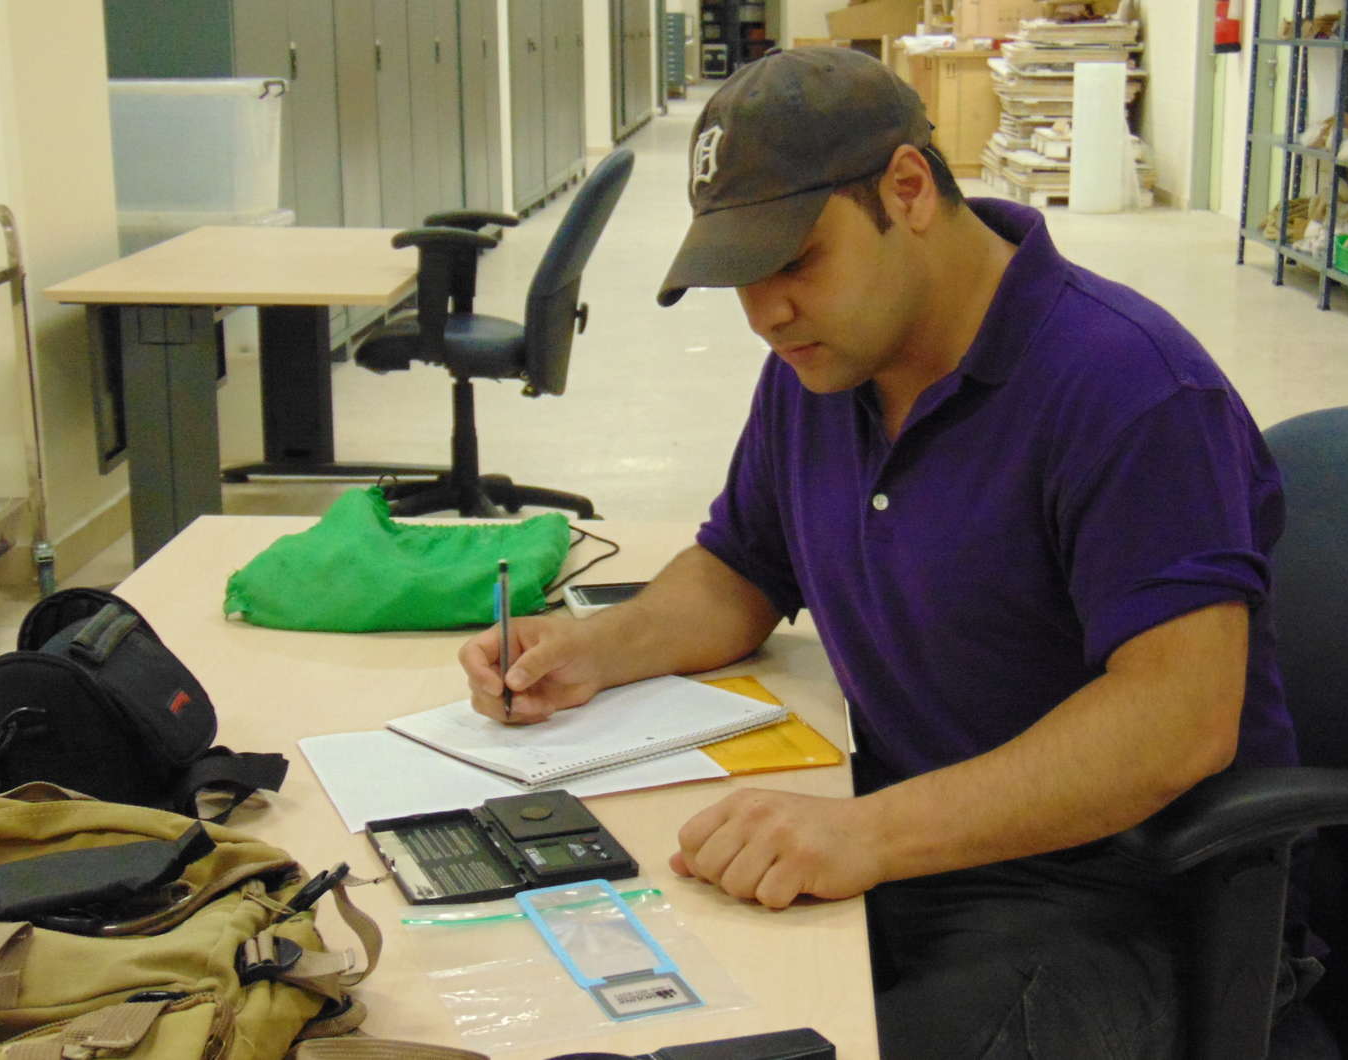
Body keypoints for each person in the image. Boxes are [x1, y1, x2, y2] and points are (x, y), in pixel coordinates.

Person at [460, 48, 1298, 1058]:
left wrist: (870, 833)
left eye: (795, 259)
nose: (766, 313)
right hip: (901, 838)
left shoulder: (1130, 389)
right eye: (740, 278)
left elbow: (1177, 722)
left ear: (904, 189)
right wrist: (593, 649)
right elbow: (742, 568)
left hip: (1113, 895)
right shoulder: (823, 366)